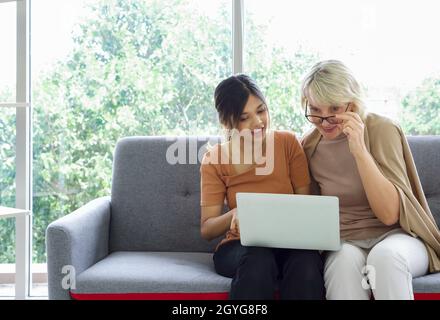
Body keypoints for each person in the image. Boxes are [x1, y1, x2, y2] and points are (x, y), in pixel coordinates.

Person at [300, 60, 440, 300]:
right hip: (346, 241)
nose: (324, 121)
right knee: (342, 263)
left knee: (384, 258)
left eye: (334, 109)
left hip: (400, 237)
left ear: (352, 104)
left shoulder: (382, 129)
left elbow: (388, 214)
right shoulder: (310, 145)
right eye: (315, 110)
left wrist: (360, 151)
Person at [200, 74, 325, 300]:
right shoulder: (215, 159)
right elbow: (207, 229)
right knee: (259, 259)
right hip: (240, 246)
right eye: (244, 117)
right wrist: (236, 214)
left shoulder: (287, 143)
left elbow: (304, 206)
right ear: (227, 122)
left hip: (290, 243)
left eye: (261, 110)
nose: (258, 122)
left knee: (306, 263)